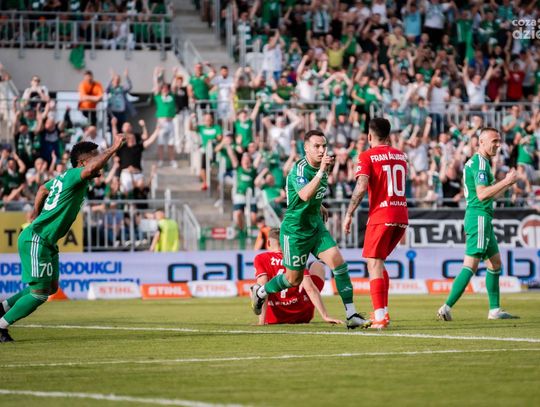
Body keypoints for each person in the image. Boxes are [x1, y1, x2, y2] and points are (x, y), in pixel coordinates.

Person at [0, 132, 126, 342]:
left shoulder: (66, 177)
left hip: (47, 241)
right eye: (95, 157)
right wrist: (113, 148)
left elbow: (42, 189)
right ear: (82, 163)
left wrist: (35, 213)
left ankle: (3, 307)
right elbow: (88, 170)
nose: (100, 162)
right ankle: (1, 325)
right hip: (37, 238)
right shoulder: (75, 175)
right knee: (39, 294)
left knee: (50, 287)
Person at [251, 129, 371, 329]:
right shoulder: (299, 169)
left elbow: (311, 196)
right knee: (293, 280)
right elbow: (305, 194)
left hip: (315, 227)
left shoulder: (323, 165)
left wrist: (319, 205)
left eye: (324, 146)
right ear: (306, 148)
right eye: (317, 146)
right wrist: (322, 171)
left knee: (339, 264)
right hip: (295, 231)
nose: (322, 150)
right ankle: (261, 292)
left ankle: (351, 315)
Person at [437, 128, 519, 321]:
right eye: (494, 141)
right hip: (479, 216)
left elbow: (490, 195)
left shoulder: (478, 162)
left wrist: (507, 184)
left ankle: (494, 310)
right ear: (481, 142)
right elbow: (482, 194)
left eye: (499, 141)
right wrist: (505, 181)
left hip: (482, 217)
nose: (498, 144)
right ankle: (446, 308)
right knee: (471, 265)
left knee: (495, 263)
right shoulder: (481, 164)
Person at [343, 117, 409, 330]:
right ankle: (383, 311)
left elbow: (362, 186)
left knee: (373, 264)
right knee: (378, 263)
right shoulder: (401, 155)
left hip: (381, 214)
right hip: (401, 214)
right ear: (388, 136)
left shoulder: (367, 155)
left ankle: (380, 317)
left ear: (369, 136)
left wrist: (349, 213)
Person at [254, 227, 343, 325]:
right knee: (318, 265)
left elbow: (262, 287)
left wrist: (261, 322)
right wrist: (325, 316)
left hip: (274, 318)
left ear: (268, 243)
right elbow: (310, 288)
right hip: (302, 314)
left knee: (255, 288)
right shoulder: (295, 257)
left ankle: (262, 319)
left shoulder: (260, 258)